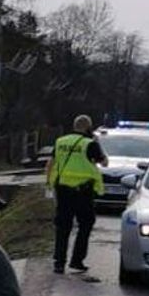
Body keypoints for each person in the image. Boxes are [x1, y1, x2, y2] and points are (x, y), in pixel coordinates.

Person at [46, 114, 107, 274]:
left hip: (63, 190)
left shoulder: (61, 141)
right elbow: (104, 162)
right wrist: (98, 144)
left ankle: (59, 263)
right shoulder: (90, 144)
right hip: (83, 192)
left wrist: (48, 184)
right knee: (85, 224)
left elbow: (51, 164)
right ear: (88, 127)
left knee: (62, 227)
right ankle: (77, 260)